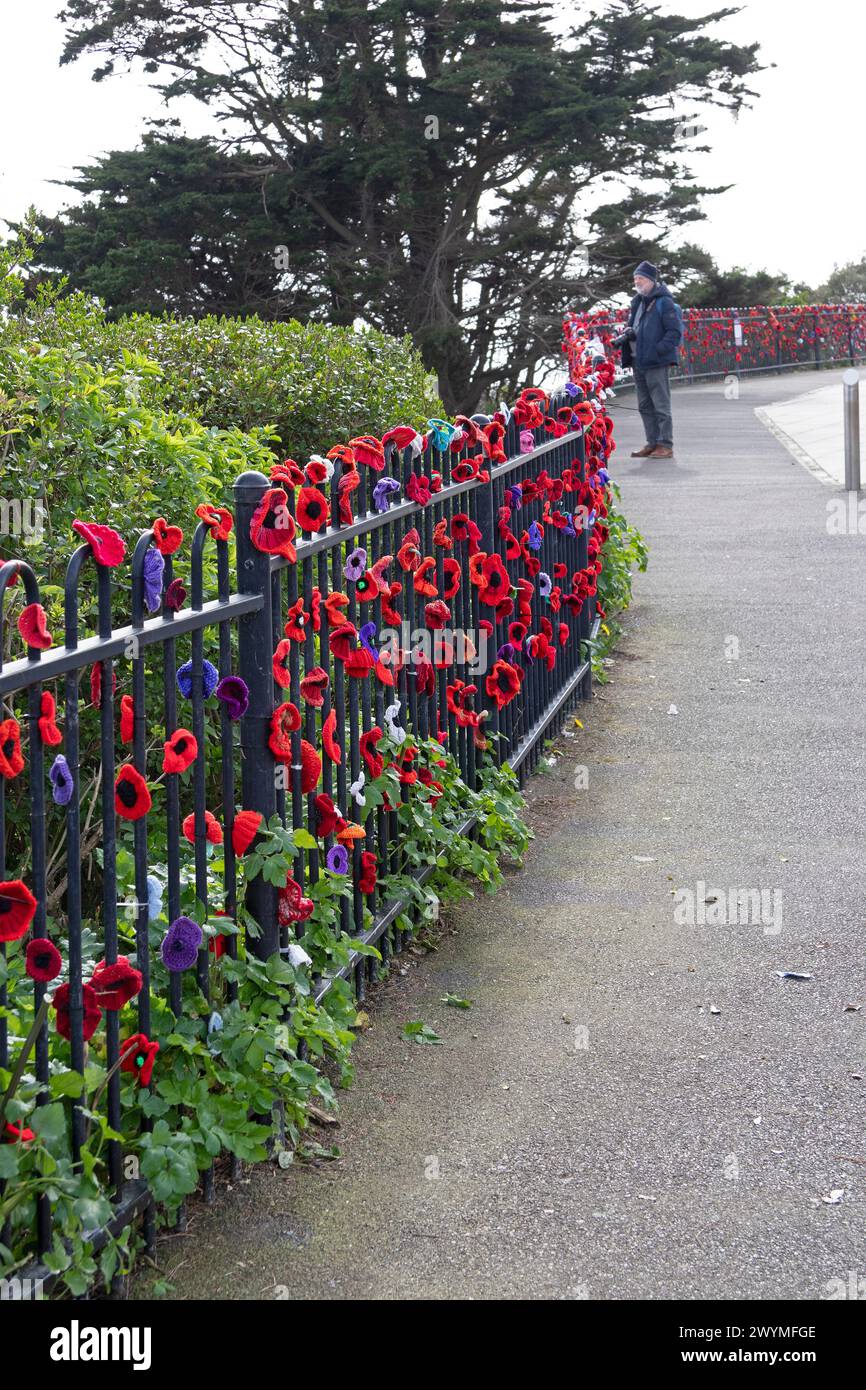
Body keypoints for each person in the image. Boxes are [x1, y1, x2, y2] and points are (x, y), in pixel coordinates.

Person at [613, 261, 683, 459]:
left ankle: (665, 445)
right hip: (639, 361)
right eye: (635, 279)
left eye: (640, 278)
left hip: (655, 361)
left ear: (651, 280)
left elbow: (674, 332)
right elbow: (635, 326)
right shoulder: (638, 302)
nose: (637, 282)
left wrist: (658, 350)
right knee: (645, 405)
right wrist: (629, 333)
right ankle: (652, 443)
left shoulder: (664, 302)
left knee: (660, 404)